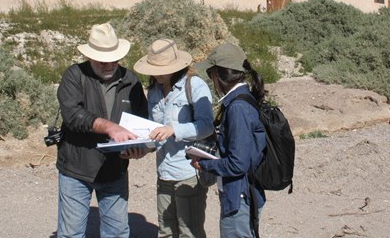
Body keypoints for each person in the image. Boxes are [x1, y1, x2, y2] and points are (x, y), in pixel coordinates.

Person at [55, 22, 149, 238]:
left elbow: (141, 120)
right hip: (77, 170)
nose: (110, 65)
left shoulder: (130, 80)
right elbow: (73, 116)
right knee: (71, 234)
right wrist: (110, 127)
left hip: (115, 169)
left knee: (116, 232)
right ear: (90, 57)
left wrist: (138, 147)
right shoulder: (74, 76)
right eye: (103, 61)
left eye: (114, 60)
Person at [133, 38, 215, 238]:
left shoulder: (194, 85)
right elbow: (154, 132)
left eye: (164, 68)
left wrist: (174, 129)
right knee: (166, 231)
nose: (159, 74)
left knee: (190, 232)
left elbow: (206, 126)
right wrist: (142, 148)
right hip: (164, 172)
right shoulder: (153, 91)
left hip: (188, 172)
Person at [192, 43, 267, 238]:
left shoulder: (237, 108)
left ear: (217, 75)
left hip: (239, 196)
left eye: (210, 74)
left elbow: (237, 163)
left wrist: (205, 164)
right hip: (242, 193)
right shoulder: (240, 100)